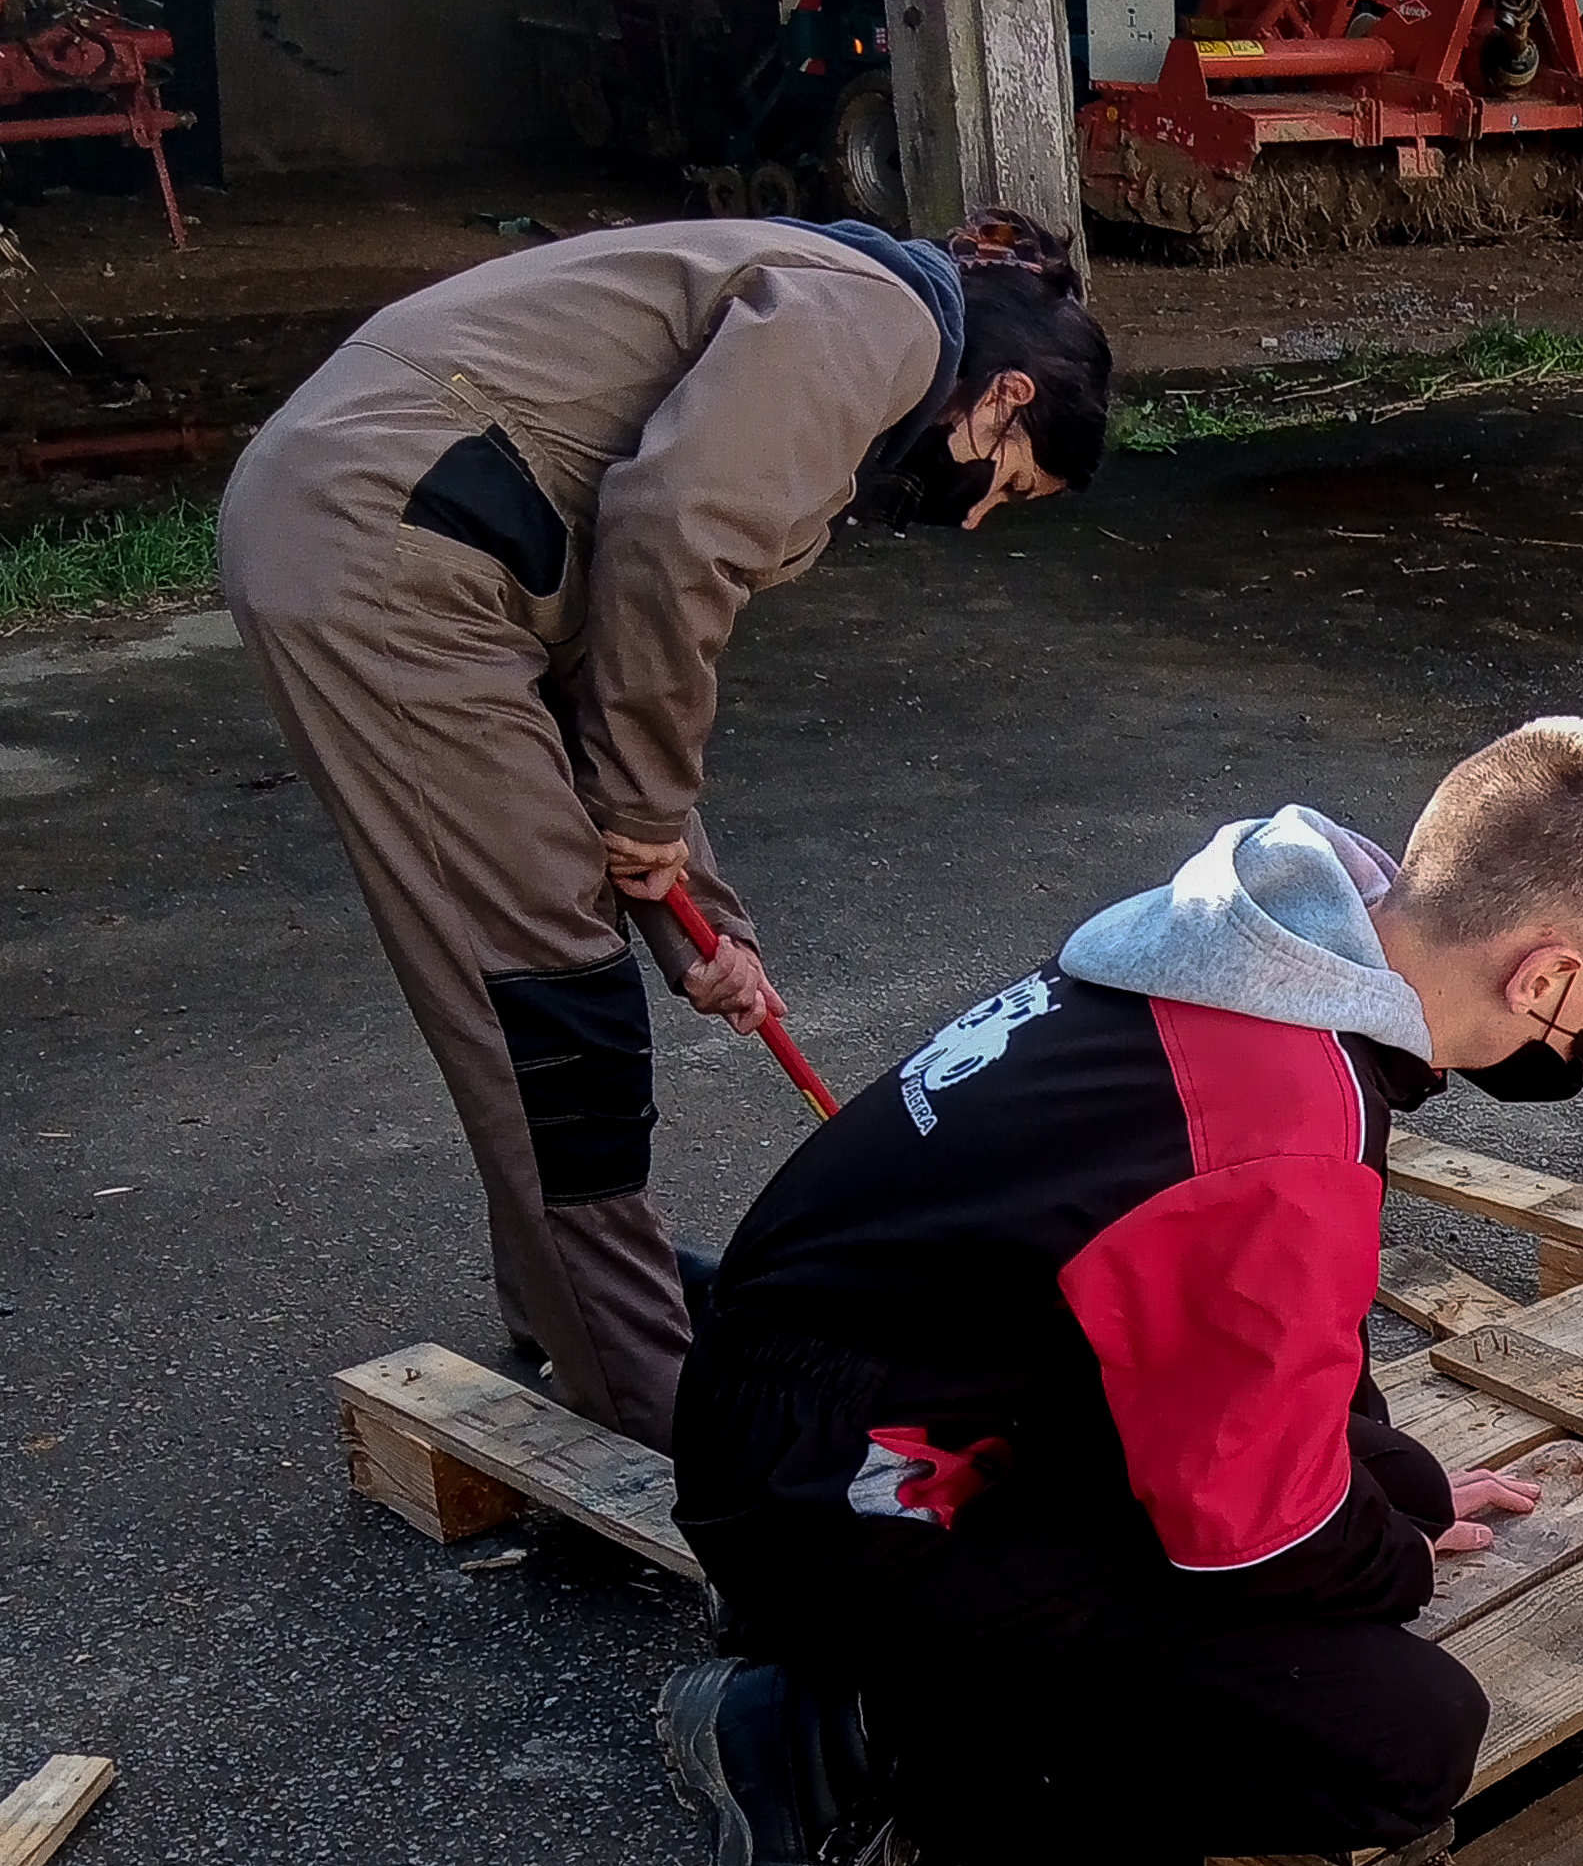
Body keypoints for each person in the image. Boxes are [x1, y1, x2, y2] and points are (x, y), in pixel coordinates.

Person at [657, 716, 1583, 1866]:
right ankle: (826, 1729)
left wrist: (1395, 1488)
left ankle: (881, 1654)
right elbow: (1252, 1542)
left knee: (1380, 1482)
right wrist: (1385, 1563)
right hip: (843, 1489)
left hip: (865, 1387)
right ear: (1548, 978)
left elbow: (1251, 1341)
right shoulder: (1284, 1121)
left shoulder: (1269, 944)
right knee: (1399, 1737)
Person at [218, 207, 1112, 1453]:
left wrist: (701, 926)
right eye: (1007, 481)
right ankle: (655, 1400)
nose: (972, 515)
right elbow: (674, 537)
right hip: (392, 553)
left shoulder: (847, 310)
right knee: (547, 1004)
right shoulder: (885, 326)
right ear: (1004, 396)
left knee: (544, 978)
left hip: (431, 533)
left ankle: (562, 1295)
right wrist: (640, 821)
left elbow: (620, 633)